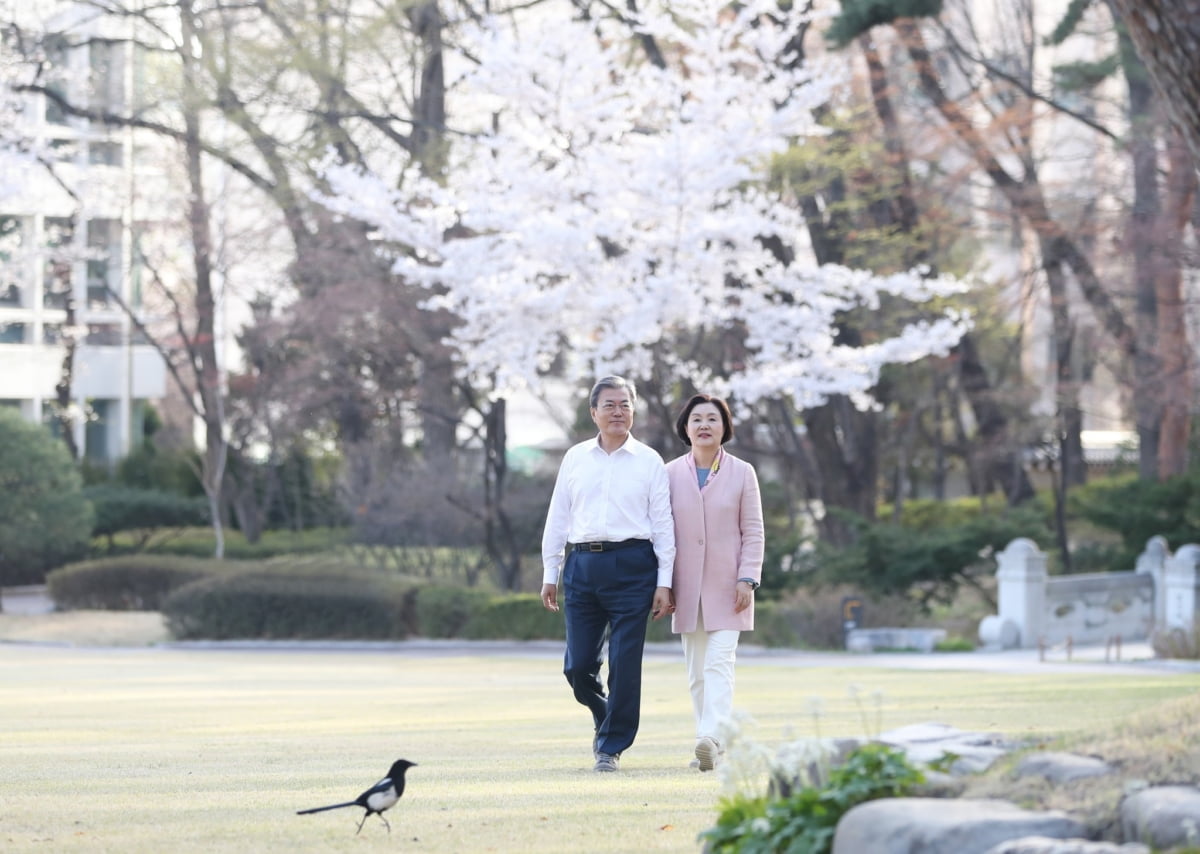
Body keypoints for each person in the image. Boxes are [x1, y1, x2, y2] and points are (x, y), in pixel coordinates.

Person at [540, 375, 676, 773]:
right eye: (610, 405)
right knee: (577, 667)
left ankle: (610, 748)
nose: (618, 412)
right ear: (593, 412)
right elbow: (558, 516)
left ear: (634, 411)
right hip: (582, 565)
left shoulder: (650, 461)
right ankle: (606, 717)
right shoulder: (575, 458)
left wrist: (664, 582)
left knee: (625, 661)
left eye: (625, 405)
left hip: (634, 565)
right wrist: (552, 570)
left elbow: (664, 524)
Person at [665, 393, 764, 772]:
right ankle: (713, 746)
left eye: (712, 419)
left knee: (719, 663)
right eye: (697, 420)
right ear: (685, 428)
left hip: (730, 586)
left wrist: (747, 577)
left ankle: (709, 738)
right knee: (697, 671)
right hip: (685, 588)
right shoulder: (670, 473)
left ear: (725, 428)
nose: (704, 425)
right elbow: (663, 532)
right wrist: (663, 583)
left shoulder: (743, 472)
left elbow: (753, 530)